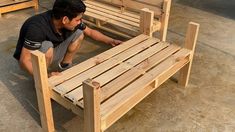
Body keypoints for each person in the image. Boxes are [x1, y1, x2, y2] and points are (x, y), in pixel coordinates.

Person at [13, 0, 122, 77]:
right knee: (47, 47)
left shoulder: (71, 21)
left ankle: (64, 66)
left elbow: (91, 32)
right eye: (78, 19)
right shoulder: (36, 27)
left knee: (79, 33)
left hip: (51, 52)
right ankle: (43, 80)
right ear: (65, 19)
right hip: (32, 60)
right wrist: (45, 77)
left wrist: (111, 41)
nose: (80, 22)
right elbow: (24, 60)